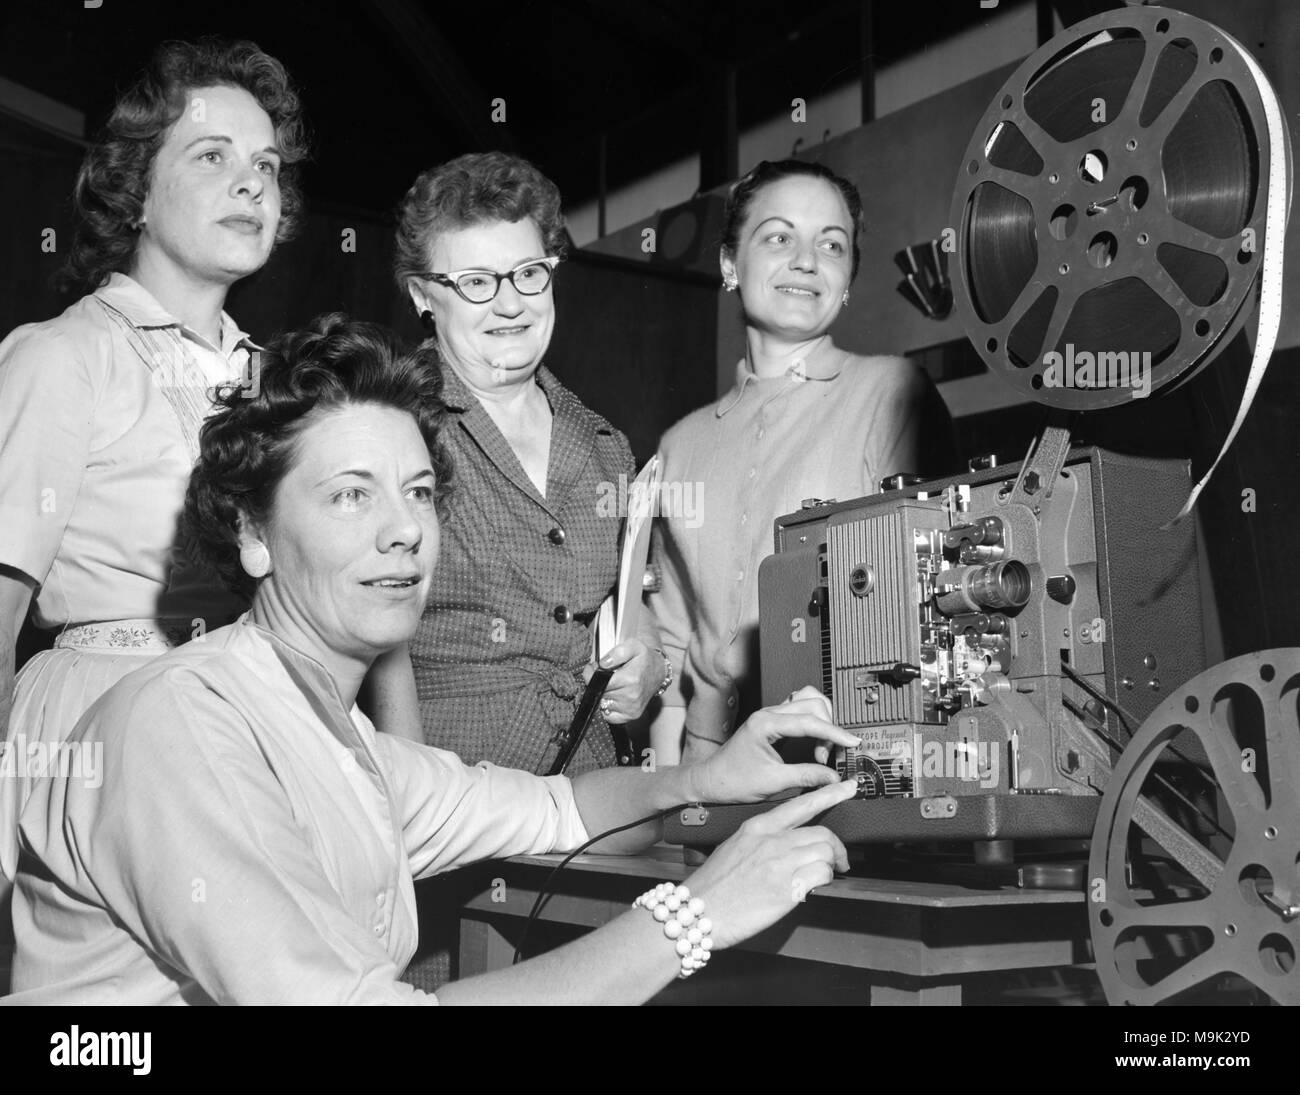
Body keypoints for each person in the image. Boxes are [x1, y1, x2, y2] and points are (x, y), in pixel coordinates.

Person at [6, 315, 859, 1004]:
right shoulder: (182, 723)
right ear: (254, 534)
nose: (405, 529)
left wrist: (702, 782)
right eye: (350, 493)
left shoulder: (341, 741)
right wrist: (694, 913)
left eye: (417, 491)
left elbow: (555, 807)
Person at [0, 39, 307, 926]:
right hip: (99, 723)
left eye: (266, 167)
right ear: (135, 188)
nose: (251, 184)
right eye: (212, 157)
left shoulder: (277, 380)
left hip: (248, 719)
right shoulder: (63, 356)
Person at [648, 159, 953, 766]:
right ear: (731, 264)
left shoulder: (894, 394)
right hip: (707, 766)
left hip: (844, 758)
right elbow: (672, 643)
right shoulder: (679, 444)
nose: (807, 260)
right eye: (780, 237)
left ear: (847, 281)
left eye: (832, 245)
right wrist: (668, 803)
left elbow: (931, 612)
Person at [380, 151, 669, 778]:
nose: (510, 305)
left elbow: (625, 604)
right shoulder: (394, 425)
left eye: (529, 274)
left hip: (593, 793)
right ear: (423, 296)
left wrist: (649, 658)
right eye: (477, 282)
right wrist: (407, 796)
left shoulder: (604, 445)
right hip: (452, 792)